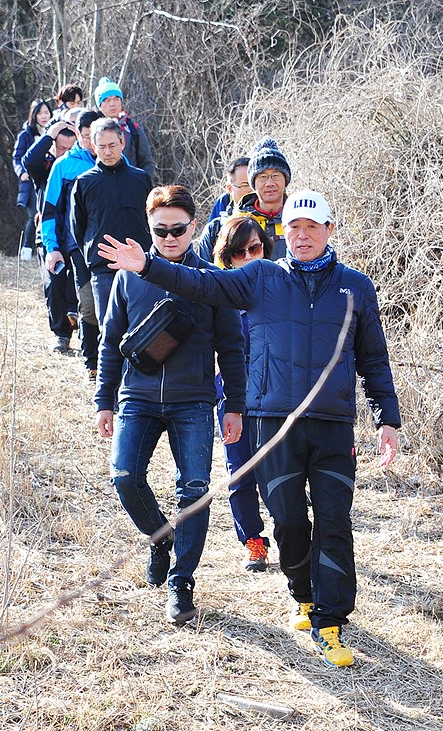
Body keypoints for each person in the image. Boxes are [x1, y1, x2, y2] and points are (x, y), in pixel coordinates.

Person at [99, 190, 401, 667]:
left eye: (313, 227)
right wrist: (148, 267)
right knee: (290, 522)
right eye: (295, 227)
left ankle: (330, 621)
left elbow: (374, 358)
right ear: (285, 232)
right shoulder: (261, 277)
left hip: (333, 423)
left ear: (329, 231)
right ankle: (303, 594)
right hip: (273, 423)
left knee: (335, 522)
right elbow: (202, 284)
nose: (303, 236)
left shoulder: (356, 287)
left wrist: (388, 418)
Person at [95, 185, 246, 625]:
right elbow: (109, 341)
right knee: (124, 476)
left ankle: (182, 584)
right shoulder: (128, 276)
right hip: (138, 398)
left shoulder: (212, 280)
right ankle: (160, 537)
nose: (169, 238)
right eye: (160, 231)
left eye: (178, 230)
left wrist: (233, 404)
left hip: (193, 401)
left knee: (194, 491)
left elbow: (232, 348)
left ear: (194, 227)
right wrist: (104, 399)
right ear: (149, 228)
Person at [210, 216, 274, 572]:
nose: (248, 257)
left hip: (277, 396)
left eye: (254, 248)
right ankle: (253, 541)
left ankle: (292, 533)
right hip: (232, 396)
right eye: (239, 252)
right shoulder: (219, 293)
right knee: (239, 471)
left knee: (279, 470)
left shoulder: (283, 288)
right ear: (227, 257)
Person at [66, 117, 151, 380]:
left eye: (112, 145)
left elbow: (151, 220)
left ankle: (140, 382)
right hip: (103, 268)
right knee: (109, 328)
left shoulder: (141, 179)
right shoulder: (84, 182)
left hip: (139, 266)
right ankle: (110, 387)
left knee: (143, 325)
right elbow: (78, 227)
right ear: (93, 147)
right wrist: (92, 254)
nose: (107, 151)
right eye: (101, 146)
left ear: (122, 143)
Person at [41, 109, 104, 363]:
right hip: (75, 244)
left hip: (108, 243)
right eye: (86, 136)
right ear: (78, 133)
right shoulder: (64, 165)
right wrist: (52, 247)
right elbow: (50, 210)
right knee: (83, 297)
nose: (91, 142)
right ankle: (80, 348)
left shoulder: (114, 162)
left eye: (95, 136)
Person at [24, 117, 79, 351]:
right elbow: (28, 160)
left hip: (76, 232)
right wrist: (50, 133)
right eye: (61, 147)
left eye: (70, 148)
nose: (65, 153)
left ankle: (79, 323)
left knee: (76, 281)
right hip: (48, 233)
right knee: (54, 281)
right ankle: (61, 334)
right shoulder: (44, 167)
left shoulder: (80, 164)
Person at [197, 137, 291, 262]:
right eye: (262, 177)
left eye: (275, 176)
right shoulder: (228, 226)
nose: (269, 183)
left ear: (286, 180)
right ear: (253, 183)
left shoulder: (299, 220)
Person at [92, 77, 156, 180]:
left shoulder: (133, 129)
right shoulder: (91, 129)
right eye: (107, 100)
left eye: (116, 99)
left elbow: (146, 161)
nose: (112, 104)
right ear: (99, 105)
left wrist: (143, 182)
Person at [13, 99, 53, 250]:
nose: (44, 116)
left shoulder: (54, 132)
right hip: (30, 182)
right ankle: (27, 248)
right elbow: (17, 157)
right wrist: (22, 172)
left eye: (46, 112)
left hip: (49, 180)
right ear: (34, 115)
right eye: (40, 113)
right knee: (34, 214)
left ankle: (44, 246)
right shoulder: (26, 135)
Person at [206, 156, 252, 223]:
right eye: (245, 185)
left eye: (254, 184)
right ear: (229, 188)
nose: (252, 190)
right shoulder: (225, 201)